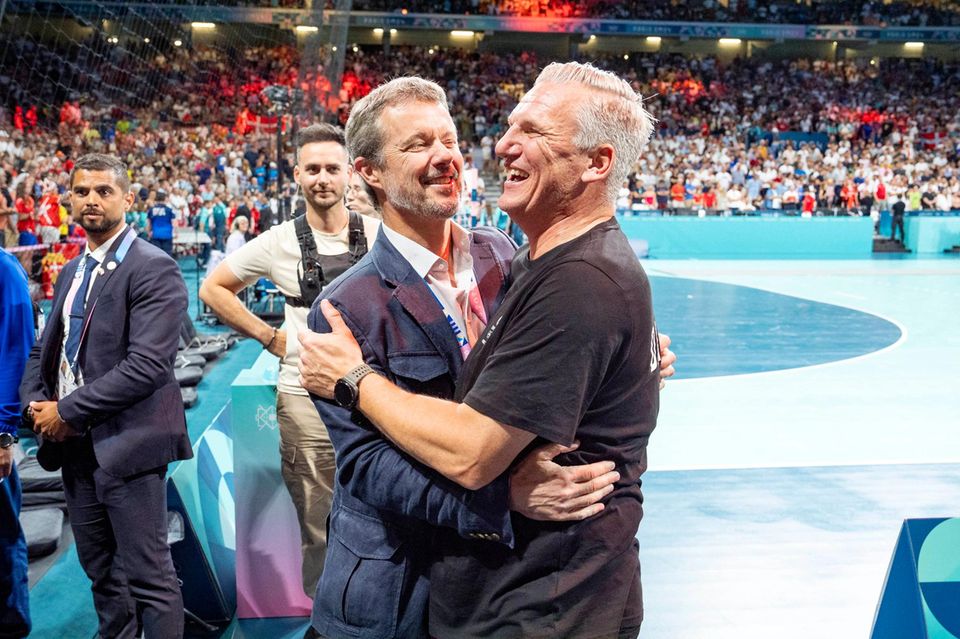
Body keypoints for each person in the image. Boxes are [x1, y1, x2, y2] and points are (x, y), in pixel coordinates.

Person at [299, 61, 668, 638]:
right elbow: (367, 465)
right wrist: (498, 499)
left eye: (449, 138)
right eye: (419, 144)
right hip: (404, 584)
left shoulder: (510, 256)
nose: (447, 155)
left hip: (514, 587)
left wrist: (620, 361)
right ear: (368, 171)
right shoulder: (343, 308)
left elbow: (560, 352)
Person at [199, 123, 380, 599]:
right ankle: (328, 613)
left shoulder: (382, 235)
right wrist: (270, 336)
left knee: (382, 507)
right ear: (297, 174)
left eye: (332, 169)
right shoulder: (278, 241)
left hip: (376, 397)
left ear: (350, 175)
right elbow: (212, 288)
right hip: (305, 399)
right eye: (313, 169)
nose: (323, 178)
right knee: (318, 517)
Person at [19, 153, 192, 639]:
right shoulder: (73, 270)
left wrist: (67, 412)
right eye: (81, 191)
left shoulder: (154, 267)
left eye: (103, 191)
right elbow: (44, 346)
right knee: (101, 572)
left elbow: (147, 367)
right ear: (69, 198)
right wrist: (37, 404)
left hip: (128, 445)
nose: (91, 200)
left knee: (150, 577)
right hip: (74, 449)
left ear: (128, 199)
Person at [1, 247, 33, 639]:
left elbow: (16, 352)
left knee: (2, 539)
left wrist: (4, 432)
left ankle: (12, 628)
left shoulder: (5, 271)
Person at [147, 189, 176, 256]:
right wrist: (175, 232)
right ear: (164, 199)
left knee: (156, 256)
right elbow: (173, 222)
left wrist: (148, 232)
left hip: (156, 234)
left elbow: (148, 223)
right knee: (167, 256)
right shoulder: (169, 210)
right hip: (167, 235)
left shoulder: (151, 210)